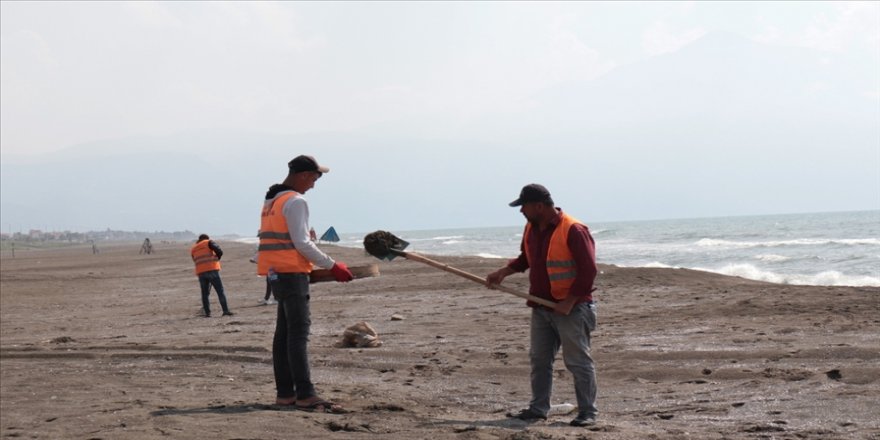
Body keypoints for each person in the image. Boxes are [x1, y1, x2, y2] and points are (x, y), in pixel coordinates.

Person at [485, 184, 599, 427]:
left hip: (573, 310)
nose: (521, 211)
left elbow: (588, 271)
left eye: (523, 206)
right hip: (541, 307)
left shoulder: (573, 229)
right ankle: (538, 409)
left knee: (577, 361)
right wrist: (504, 272)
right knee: (539, 360)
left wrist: (569, 302)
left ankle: (588, 412)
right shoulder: (531, 228)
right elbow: (527, 258)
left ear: (538, 206)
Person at [258, 154, 354, 412]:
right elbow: (301, 243)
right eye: (313, 178)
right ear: (302, 175)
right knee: (297, 335)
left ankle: (286, 394)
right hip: (291, 274)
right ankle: (305, 394)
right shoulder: (296, 201)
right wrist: (333, 265)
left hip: (276, 273)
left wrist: (306, 241)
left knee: (283, 335)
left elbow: (288, 238)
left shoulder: (272, 200)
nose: (313, 184)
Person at [191, 234, 234, 318]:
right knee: (220, 291)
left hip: (201, 272)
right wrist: (217, 258)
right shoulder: (208, 242)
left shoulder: (193, 248)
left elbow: (194, 259)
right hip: (212, 269)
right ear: (206, 238)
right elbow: (219, 251)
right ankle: (225, 311)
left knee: (205, 293)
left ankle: (207, 313)